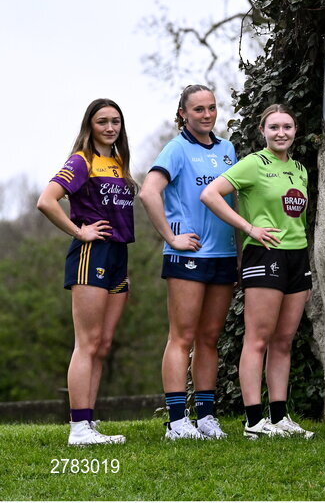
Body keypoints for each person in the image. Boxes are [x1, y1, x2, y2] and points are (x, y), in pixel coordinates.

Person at [200, 104, 314, 440]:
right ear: (263, 131)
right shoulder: (253, 163)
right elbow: (210, 194)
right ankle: (253, 422)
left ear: (295, 131)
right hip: (265, 256)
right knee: (258, 339)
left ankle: (279, 419)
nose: (282, 133)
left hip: (297, 257)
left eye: (288, 127)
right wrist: (250, 228)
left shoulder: (299, 169)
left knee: (283, 341)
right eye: (274, 127)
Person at [36, 99, 137, 446]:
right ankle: (78, 428)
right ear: (89, 125)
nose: (110, 128)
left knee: (103, 344)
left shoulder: (119, 162)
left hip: (118, 256)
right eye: (102, 122)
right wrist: (80, 232)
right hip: (91, 253)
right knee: (87, 343)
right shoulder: (81, 160)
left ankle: (89, 424)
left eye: (116, 122)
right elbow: (47, 200)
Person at [139, 85, 237, 440]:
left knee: (209, 338)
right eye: (198, 109)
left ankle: (207, 417)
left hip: (224, 256)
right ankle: (177, 421)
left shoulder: (228, 149)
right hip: (188, 256)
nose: (207, 114)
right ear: (182, 113)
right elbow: (149, 192)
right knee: (181, 338)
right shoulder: (176, 148)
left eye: (211, 108)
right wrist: (171, 236)